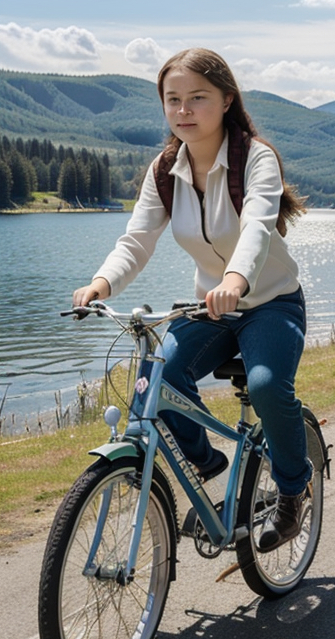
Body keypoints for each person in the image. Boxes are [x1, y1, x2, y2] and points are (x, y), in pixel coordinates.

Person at [73, 48, 311, 552]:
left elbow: (258, 228)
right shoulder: (165, 169)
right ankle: (205, 462)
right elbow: (136, 241)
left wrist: (235, 279)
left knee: (268, 387)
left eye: (197, 98)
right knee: (152, 382)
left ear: (226, 100)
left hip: (269, 302)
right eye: (173, 99)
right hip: (210, 307)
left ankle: (293, 489)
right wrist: (100, 284)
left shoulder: (255, 157)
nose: (183, 110)